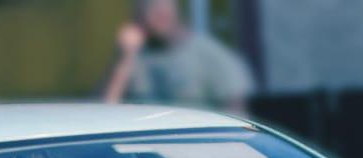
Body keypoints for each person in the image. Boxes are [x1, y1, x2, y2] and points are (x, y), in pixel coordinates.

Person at [101, 0, 254, 113]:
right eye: (148, 8)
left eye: (162, 8)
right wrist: (124, 60)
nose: (156, 14)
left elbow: (238, 115)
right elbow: (105, 113)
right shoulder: (133, 58)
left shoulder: (209, 54)